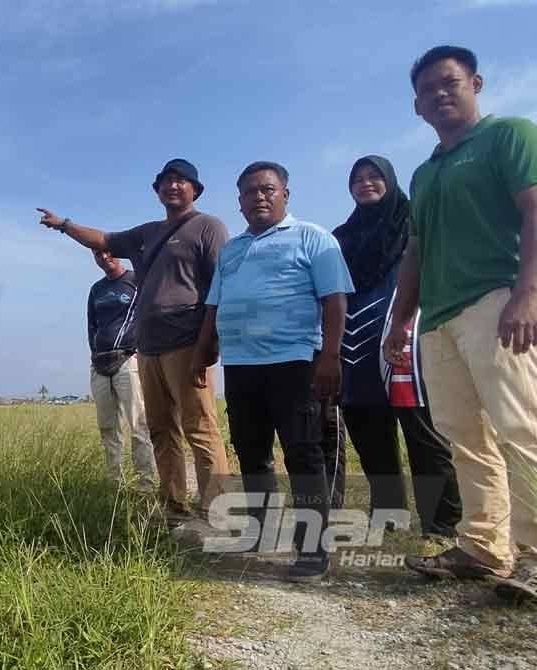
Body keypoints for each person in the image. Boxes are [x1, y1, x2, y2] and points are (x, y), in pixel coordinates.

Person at [384, 45, 537, 603]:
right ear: (417, 107)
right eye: (427, 91)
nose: (439, 94)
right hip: (439, 319)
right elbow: (415, 252)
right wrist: (400, 322)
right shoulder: (425, 174)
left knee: (521, 427)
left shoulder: (510, 135)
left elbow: (534, 209)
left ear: (476, 82)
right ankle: (484, 547)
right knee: (463, 437)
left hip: (499, 300)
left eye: (449, 83)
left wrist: (528, 293)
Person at [37, 158, 231, 523]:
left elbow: (221, 288)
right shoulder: (147, 233)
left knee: (200, 428)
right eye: (166, 182)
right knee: (160, 429)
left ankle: (214, 510)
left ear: (195, 189)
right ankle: (174, 506)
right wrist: (64, 225)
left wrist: (209, 345)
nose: (173, 186)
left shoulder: (209, 227)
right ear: (157, 190)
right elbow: (104, 240)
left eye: (181, 181)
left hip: (188, 343)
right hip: (149, 348)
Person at [196, 161, 354, 582]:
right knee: (251, 452)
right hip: (241, 365)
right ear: (240, 202)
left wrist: (331, 357)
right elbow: (214, 305)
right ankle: (262, 530)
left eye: (267, 189)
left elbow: (334, 301)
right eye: (249, 192)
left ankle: (312, 549)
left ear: (285, 193)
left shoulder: (313, 238)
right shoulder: (232, 250)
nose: (259, 197)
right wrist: (202, 351)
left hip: (295, 361)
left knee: (303, 453)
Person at [333, 155, 462, 538]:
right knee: (368, 432)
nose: (366, 183)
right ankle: (388, 512)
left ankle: (442, 523)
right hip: (355, 338)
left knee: (421, 431)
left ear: (390, 180)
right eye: (358, 178)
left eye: (374, 176)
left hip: (405, 334)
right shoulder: (342, 236)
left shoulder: (411, 222)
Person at [86, 248, 156, 490]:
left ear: (117, 253)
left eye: (107, 252)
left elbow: (152, 313)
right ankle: (114, 485)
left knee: (139, 425)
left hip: (128, 360)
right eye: (97, 255)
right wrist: (95, 353)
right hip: (100, 363)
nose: (104, 258)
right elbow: (91, 325)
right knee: (108, 428)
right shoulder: (96, 289)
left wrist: (142, 347)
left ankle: (145, 485)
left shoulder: (138, 280)